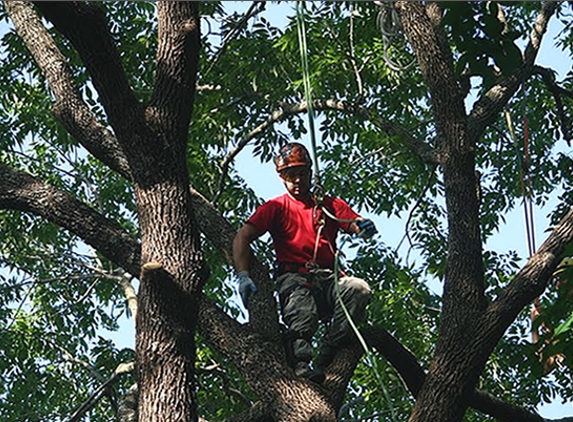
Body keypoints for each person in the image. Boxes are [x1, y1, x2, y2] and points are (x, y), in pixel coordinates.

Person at [232, 142, 377, 383]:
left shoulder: (328, 205)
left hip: (330, 279)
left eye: (301, 174)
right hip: (295, 278)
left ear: (310, 173)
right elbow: (242, 237)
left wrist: (362, 227)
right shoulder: (276, 207)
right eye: (291, 175)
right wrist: (243, 275)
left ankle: (331, 349)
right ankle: (300, 362)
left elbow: (352, 222)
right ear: (282, 178)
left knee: (358, 289)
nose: (297, 180)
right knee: (302, 312)